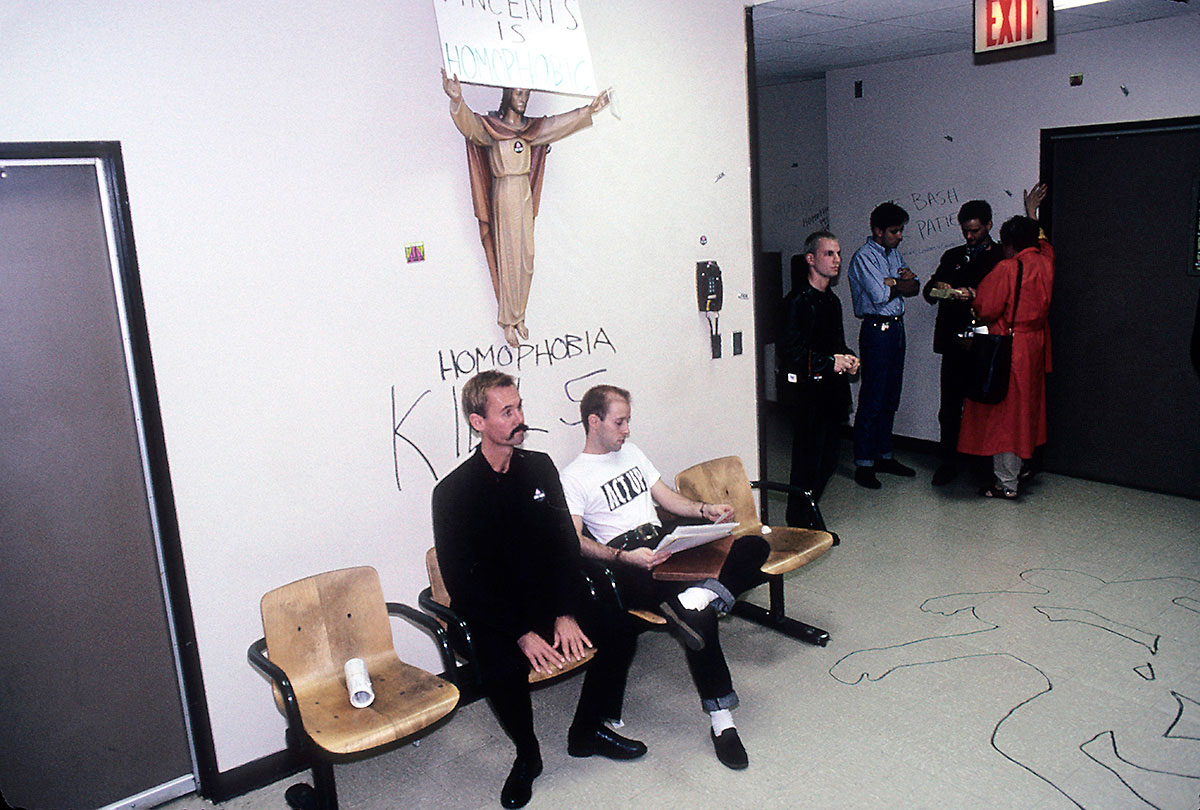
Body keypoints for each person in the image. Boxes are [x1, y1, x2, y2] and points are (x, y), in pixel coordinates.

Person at [431, 371, 646, 809]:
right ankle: (528, 755)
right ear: (478, 422)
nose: (519, 418)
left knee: (620, 630)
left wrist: (565, 611)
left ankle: (587, 730)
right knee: (502, 668)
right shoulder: (453, 493)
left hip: (547, 597)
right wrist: (520, 631)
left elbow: (564, 547)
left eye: (519, 407)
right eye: (506, 412)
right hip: (493, 610)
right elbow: (461, 582)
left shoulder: (539, 466)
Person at [559, 385, 771, 771]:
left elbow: (668, 499)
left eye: (627, 421)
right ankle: (722, 723)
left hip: (665, 542)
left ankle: (704, 594)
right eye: (619, 421)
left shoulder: (632, 453)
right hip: (627, 562)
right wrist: (625, 556)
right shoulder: (573, 476)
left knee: (754, 545)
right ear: (594, 421)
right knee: (698, 619)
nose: (626, 429)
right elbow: (573, 542)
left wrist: (705, 511)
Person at [442, 70, 611, 348]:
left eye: (527, 94)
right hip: (504, 192)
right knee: (508, 257)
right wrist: (458, 99)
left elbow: (559, 124)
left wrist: (589, 109)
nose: (523, 99)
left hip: (523, 193)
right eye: (519, 93)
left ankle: (520, 314)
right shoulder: (493, 128)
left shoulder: (531, 129)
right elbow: (469, 125)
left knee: (526, 259)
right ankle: (508, 321)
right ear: (508, 95)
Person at [957, 184, 1053, 500]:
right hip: (1035, 347)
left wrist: (973, 298)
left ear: (1009, 244)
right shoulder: (1044, 261)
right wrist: (1031, 213)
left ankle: (1006, 482)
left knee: (1005, 416)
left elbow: (986, 307)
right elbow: (1042, 243)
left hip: (1008, 348)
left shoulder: (1008, 268)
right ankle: (1024, 466)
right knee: (1027, 410)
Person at [777, 231, 860, 520]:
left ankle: (808, 510)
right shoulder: (796, 302)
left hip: (832, 394)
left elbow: (835, 344)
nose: (837, 260)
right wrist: (829, 362)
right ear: (811, 259)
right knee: (807, 461)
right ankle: (798, 518)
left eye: (838, 253)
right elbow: (790, 352)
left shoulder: (832, 301)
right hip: (807, 395)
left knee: (829, 459)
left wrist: (848, 358)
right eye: (829, 254)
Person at [923, 200, 1005, 486]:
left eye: (975, 231)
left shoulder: (999, 257)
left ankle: (983, 467)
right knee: (949, 407)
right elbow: (927, 291)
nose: (969, 237)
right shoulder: (952, 256)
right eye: (965, 231)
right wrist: (940, 288)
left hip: (983, 341)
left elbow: (1004, 297)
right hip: (952, 340)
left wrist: (975, 293)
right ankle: (948, 461)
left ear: (988, 226)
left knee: (981, 406)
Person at [846, 202, 920, 489]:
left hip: (896, 328)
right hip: (876, 329)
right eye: (894, 231)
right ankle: (864, 462)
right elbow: (879, 295)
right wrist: (893, 284)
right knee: (873, 397)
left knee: (891, 395)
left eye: (900, 230)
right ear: (877, 230)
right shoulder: (865, 257)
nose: (899, 235)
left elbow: (913, 285)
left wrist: (895, 283)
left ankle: (884, 454)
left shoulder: (893, 253)